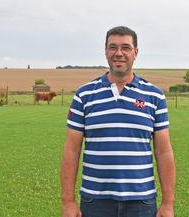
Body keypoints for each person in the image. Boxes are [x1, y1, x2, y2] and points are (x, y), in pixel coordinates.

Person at [61, 26, 176, 217]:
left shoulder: (154, 96)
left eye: (126, 47)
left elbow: (163, 152)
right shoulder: (84, 95)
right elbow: (71, 150)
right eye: (112, 47)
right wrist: (68, 201)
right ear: (106, 51)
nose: (119, 53)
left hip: (141, 201)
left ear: (135, 52)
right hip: (95, 201)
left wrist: (168, 203)